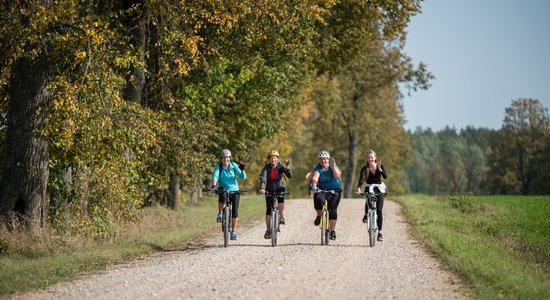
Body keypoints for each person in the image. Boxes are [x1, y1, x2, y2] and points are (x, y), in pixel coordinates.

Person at [211, 149, 247, 240]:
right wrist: (214, 185)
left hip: (234, 190)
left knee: (235, 211)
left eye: (227, 158)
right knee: (222, 195)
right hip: (224, 188)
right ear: (221, 159)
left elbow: (242, 177)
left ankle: (234, 231)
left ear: (230, 158)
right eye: (223, 158)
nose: (225, 160)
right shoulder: (219, 166)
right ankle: (220, 213)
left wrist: (242, 170)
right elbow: (215, 175)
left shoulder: (234, 166)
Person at [258, 150, 292, 239]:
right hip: (269, 189)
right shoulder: (267, 168)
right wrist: (262, 188)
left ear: (277, 159)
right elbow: (263, 178)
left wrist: (287, 168)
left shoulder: (281, 167)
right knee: (269, 210)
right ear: (269, 159)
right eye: (271, 158)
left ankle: (281, 215)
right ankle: (268, 229)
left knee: (281, 198)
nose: (273, 160)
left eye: (275, 158)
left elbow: (289, 175)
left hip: (280, 188)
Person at [309, 150, 342, 240]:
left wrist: (332, 166)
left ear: (328, 159)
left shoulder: (333, 166)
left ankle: (333, 231)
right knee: (318, 201)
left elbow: (337, 176)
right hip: (321, 189)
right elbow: (315, 178)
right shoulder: (318, 168)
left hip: (335, 189)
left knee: (333, 210)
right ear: (319, 160)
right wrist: (314, 186)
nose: (323, 161)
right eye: (321, 159)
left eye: (325, 159)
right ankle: (319, 216)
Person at [356, 149, 387, 241]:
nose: (370, 159)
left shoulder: (379, 166)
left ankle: (380, 233)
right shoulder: (365, 168)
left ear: (375, 158)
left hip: (379, 188)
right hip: (369, 187)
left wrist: (380, 169)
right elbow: (361, 179)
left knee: (379, 210)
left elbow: (385, 176)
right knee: (368, 197)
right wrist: (358, 188)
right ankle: (366, 214)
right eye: (369, 158)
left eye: (372, 157)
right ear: (367, 158)